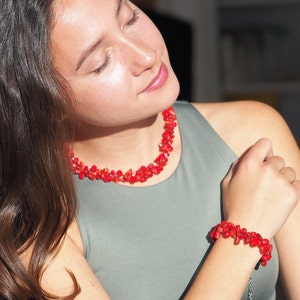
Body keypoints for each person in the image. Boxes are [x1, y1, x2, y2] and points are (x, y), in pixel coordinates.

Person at [1, 0, 300, 299]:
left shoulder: (251, 133)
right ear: (46, 105)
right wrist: (243, 231)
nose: (145, 55)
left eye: (130, 18)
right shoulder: (38, 230)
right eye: (101, 61)